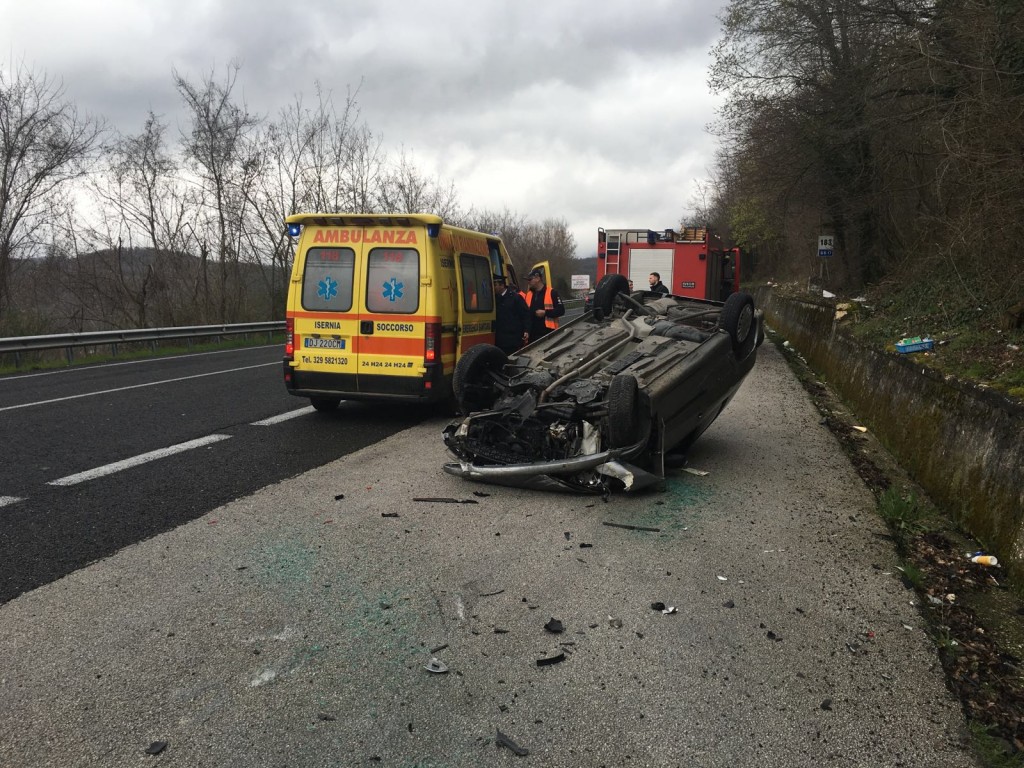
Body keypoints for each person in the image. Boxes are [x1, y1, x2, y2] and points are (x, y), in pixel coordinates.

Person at [492, 274, 530, 354]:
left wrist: (526, 330)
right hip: (499, 338)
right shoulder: (494, 298)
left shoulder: (515, 297)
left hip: (513, 338)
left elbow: (525, 314)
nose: (493, 288)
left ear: (502, 285)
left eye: (495, 285)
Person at [525, 268, 565, 343]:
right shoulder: (528, 294)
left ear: (538, 278)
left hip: (549, 333)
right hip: (532, 335)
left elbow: (561, 310)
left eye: (530, 279)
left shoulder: (552, 292)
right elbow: (526, 314)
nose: (528, 282)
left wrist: (545, 313)